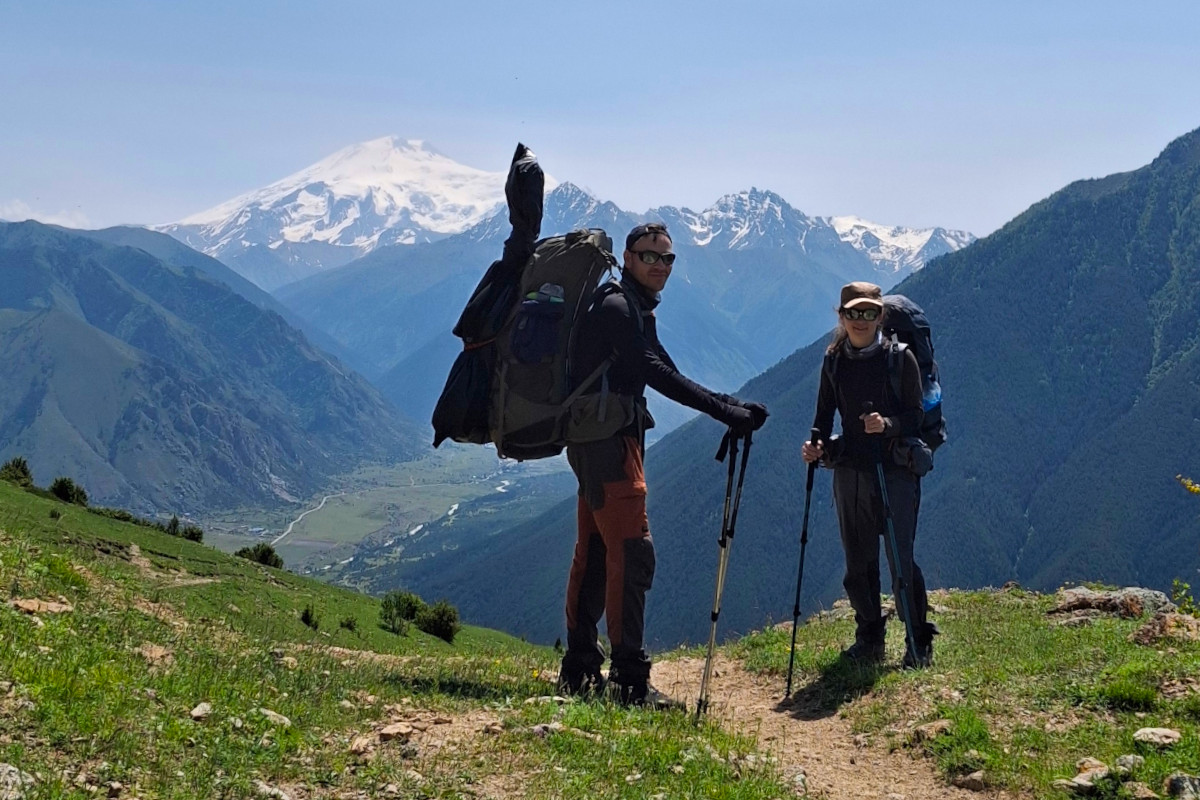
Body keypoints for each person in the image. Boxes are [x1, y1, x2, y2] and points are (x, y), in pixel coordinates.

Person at [557, 222, 769, 707]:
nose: (659, 265)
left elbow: (662, 365)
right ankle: (628, 681)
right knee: (632, 553)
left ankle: (580, 668)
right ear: (628, 258)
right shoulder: (617, 307)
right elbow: (649, 371)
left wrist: (730, 403)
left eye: (667, 259)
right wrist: (723, 411)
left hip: (599, 442)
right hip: (610, 446)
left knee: (594, 552)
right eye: (650, 256)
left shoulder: (628, 306)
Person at [801, 281, 937, 668]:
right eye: (852, 313)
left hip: (895, 469)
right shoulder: (833, 360)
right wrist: (817, 446)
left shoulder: (901, 359)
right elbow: (823, 417)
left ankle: (918, 640)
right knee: (857, 562)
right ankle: (869, 636)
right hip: (850, 470)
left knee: (899, 559)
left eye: (868, 313)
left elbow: (915, 417)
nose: (860, 320)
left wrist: (888, 424)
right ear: (841, 317)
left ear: (881, 315)